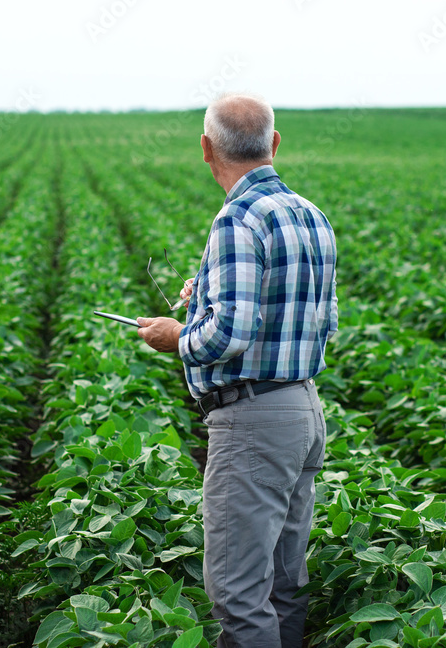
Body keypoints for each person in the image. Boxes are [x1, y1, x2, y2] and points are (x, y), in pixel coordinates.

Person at [136, 92, 338, 648]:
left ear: (206, 149)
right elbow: (319, 318)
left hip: (253, 421)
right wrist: (206, 297)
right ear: (274, 144)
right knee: (282, 586)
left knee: (238, 593)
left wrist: (175, 334)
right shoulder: (310, 214)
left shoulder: (238, 219)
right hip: (303, 409)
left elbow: (229, 337)